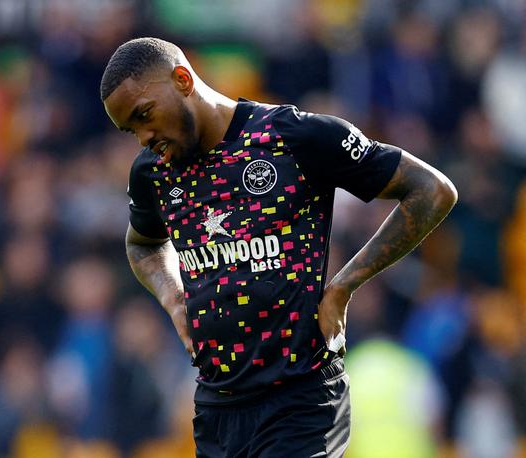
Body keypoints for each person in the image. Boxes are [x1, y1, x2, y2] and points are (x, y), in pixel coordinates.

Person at [100, 37, 457, 458]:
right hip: (218, 407)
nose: (143, 137)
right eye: (130, 129)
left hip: (299, 396)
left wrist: (343, 287)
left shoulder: (294, 136)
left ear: (182, 79)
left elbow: (431, 191)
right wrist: (172, 298)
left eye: (144, 115)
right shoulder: (152, 173)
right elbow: (142, 243)